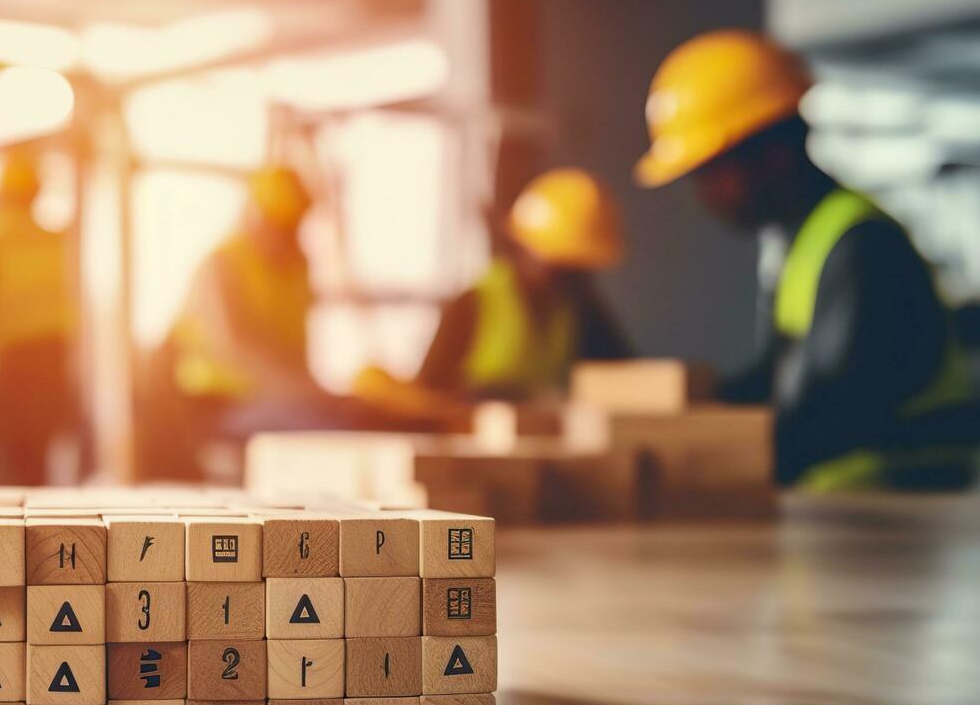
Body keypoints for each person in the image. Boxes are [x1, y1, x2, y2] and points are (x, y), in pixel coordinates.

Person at [635, 29, 975, 489]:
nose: (703, 195)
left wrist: (688, 466)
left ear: (772, 154)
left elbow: (828, 416)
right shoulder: (807, 243)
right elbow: (775, 378)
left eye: (710, 171)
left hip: (899, 508)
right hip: (849, 508)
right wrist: (687, 408)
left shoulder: (861, 249)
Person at [145, 165, 325, 478]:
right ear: (257, 217)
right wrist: (307, 394)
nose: (286, 236)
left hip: (276, 401)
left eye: (292, 226)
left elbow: (300, 353)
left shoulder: (299, 269)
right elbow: (235, 349)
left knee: (341, 418)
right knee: (321, 424)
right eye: (279, 225)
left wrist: (318, 395)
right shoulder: (223, 265)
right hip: (213, 407)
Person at [415, 167, 632, 398]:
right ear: (526, 249)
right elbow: (428, 392)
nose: (570, 279)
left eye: (580, 268)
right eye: (561, 265)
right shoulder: (475, 304)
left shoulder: (579, 310)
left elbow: (630, 378)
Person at [0, 147, 78, 483]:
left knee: (8, 467)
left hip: (12, 370)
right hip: (58, 365)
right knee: (40, 463)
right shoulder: (61, 242)